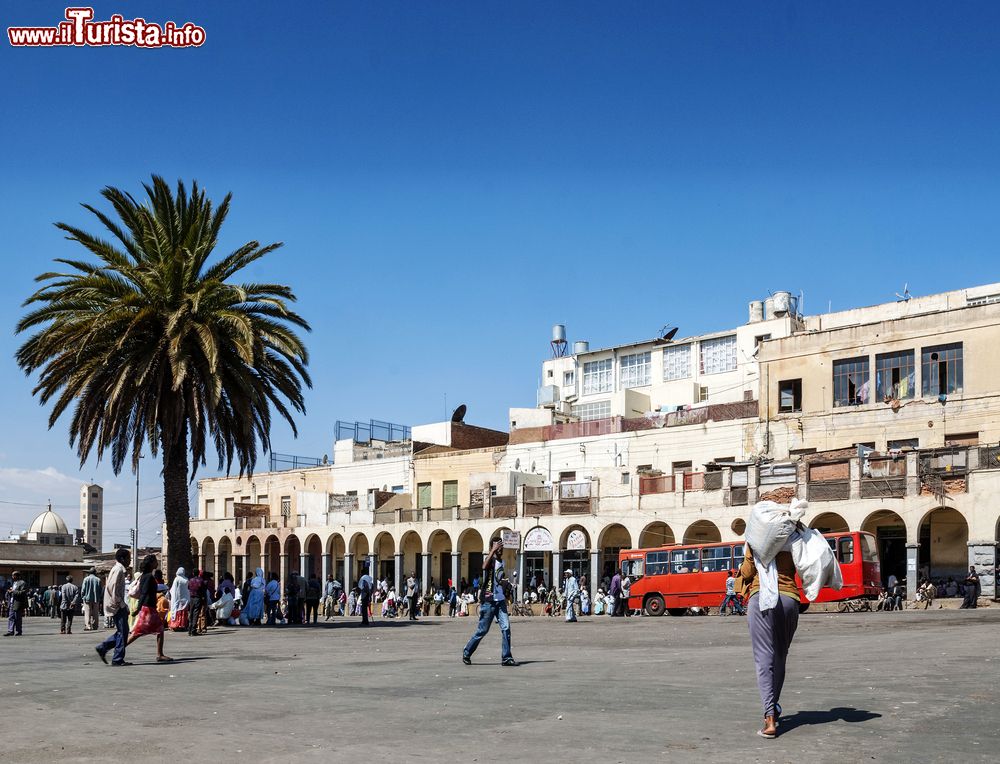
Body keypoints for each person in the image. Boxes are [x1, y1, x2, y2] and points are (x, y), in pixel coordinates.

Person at [737, 544, 799, 739]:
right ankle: (774, 705)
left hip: (762, 596)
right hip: (789, 599)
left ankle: (770, 718)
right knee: (780, 656)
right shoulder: (794, 533)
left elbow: (747, 572)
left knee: (764, 658)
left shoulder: (757, 536)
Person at [462, 536, 516, 666]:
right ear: (492, 548)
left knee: (506, 628)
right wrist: (492, 551)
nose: (500, 548)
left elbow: (498, 579)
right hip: (488, 600)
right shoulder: (490, 560)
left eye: (501, 546)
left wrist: (505, 584)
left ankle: (506, 657)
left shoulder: (501, 562)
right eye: (497, 546)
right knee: (482, 630)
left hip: (500, 601)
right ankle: (467, 652)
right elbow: (484, 566)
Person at [126, 554, 171, 662]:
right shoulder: (148, 576)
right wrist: (138, 608)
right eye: (155, 561)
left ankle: (160, 654)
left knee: (159, 629)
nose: (157, 563)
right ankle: (119, 648)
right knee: (137, 632)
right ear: (151, 563)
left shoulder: (146, 575)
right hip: (148, 609)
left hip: (149, 607)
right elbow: (143, 593)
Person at [96, 548, 132, 667]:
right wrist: (121, 604)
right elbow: (114, 588)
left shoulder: (118, 569)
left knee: (123, 631)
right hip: (117, 605)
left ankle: (103, 647)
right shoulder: (118, 570)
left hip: (116, 604)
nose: (130, 561)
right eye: (128, 558)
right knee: (123, 632)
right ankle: (117, 658)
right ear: (122, 559)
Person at [4, 571, 27, 637]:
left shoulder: (22, 583)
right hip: (12, 602)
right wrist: (9, 592)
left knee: (17, 618)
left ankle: (18, 631)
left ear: (17, 576)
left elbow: (23, 592)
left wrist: (13, 591)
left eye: (13, 575)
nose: (12, 577)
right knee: (11, 617)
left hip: (18, 603)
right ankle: (10, 631)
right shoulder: (14, 583)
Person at [187, 569, 205, 636]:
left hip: (191, 598)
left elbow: (188, 587)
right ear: (198, 573)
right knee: (196, 614)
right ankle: (193, 630)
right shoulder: (200, 580)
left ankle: (190, 629)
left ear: (193, 573)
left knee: (191, 613)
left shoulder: (190, 580)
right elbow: (203, 590)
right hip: (198, 597)